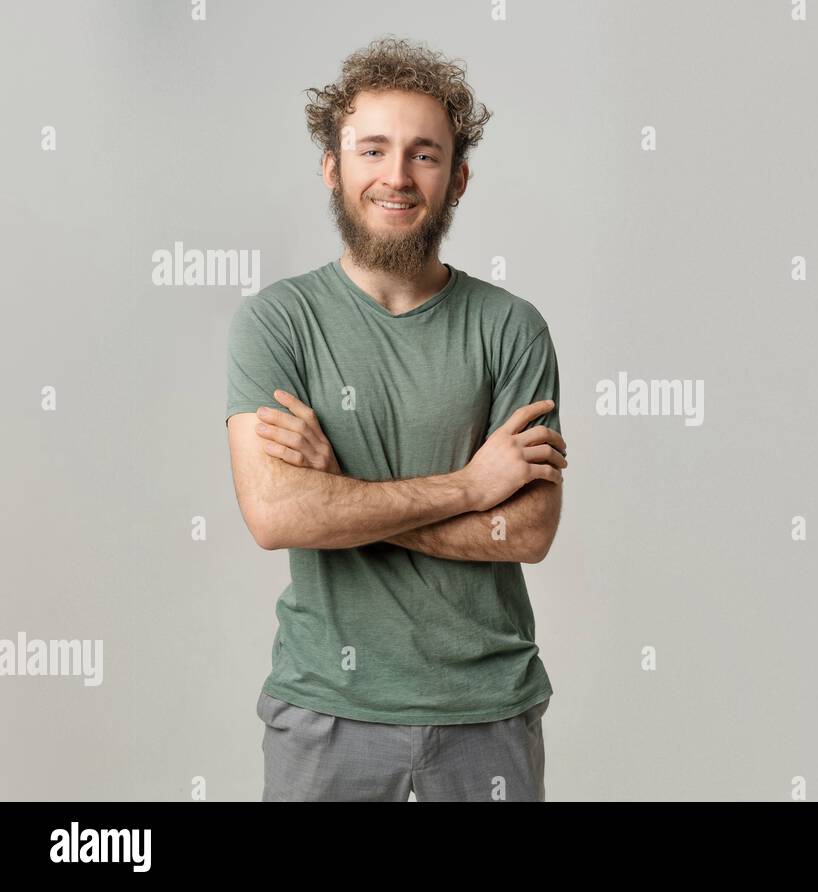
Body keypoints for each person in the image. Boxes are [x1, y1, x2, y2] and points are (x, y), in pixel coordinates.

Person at [224, 37, 567, 802]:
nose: (396, 176)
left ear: (458, 179)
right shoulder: (277, 323)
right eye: (372, 149)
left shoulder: (512, 328)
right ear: (332, 168)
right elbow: (278, 514)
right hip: (325, 708)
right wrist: (474, 487)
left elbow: (531, 532)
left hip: (488, 709)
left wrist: (339, 495)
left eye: (424, 154)